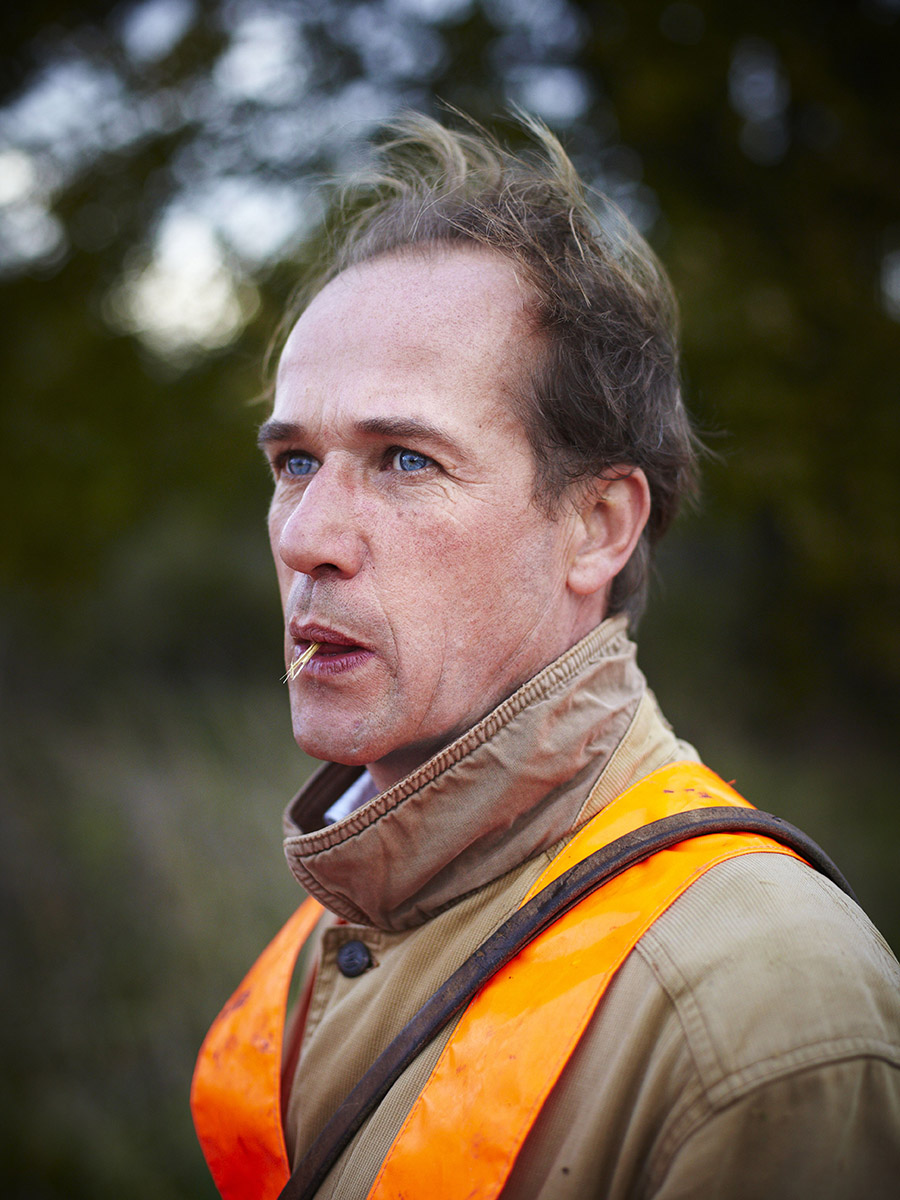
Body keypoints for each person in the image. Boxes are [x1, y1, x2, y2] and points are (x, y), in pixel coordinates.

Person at [191, 113, 900, 1199]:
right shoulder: (365, 891)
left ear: (598, 527)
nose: (306, 537)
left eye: (405, 460)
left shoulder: (767, 1008)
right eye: (295, 462)